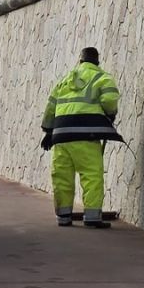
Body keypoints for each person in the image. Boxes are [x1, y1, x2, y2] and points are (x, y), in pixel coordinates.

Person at [40, 47, 121, 228]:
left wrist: (48, 131)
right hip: (86, 134)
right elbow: (109, 100)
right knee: (91, 175)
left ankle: (63, 216)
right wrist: (110, 114)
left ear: (80, 61)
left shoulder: (65, 80)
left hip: (61, 135)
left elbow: (50, 106)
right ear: (97, 61)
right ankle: (92, 217)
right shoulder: (102, 77)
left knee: (62, 176)